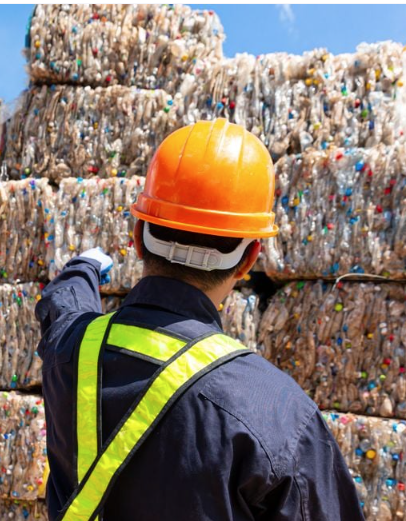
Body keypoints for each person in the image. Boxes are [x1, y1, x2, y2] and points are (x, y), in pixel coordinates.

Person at [36, 119, 364, 521]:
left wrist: (83, 267)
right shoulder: (278, 413)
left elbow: (62, 306)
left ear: (138, 235)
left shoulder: (71, 351)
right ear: (249, 259)